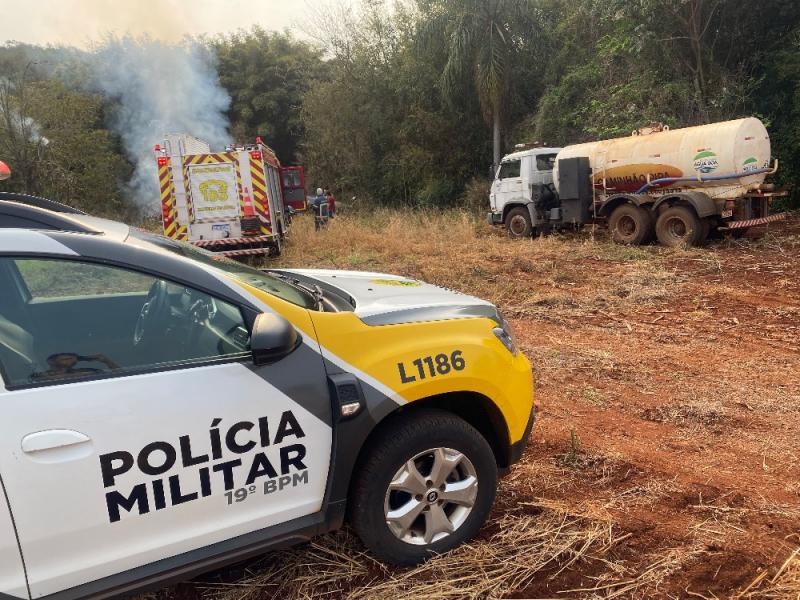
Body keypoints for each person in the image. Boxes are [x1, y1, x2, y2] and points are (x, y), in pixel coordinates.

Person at [32, 352, 119, 381]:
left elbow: (118, 374)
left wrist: (107, 361)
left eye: (74, 359)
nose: (71, 360)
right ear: (51, 362)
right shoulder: (40, 375)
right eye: (66, 359)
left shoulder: (86, 370)